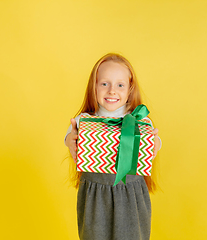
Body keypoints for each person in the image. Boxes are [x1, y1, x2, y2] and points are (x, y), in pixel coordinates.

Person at [64, 53, 162, 240]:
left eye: (120, 85)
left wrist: (155, 143)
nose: (112, 91)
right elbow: (70, 137)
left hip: (130, 194)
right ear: (94, 86)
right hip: (95, 195)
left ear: (130, 89)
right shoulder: (84, 120)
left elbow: (155, 141)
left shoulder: (139, 120)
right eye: (104, 84)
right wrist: (70, 141)